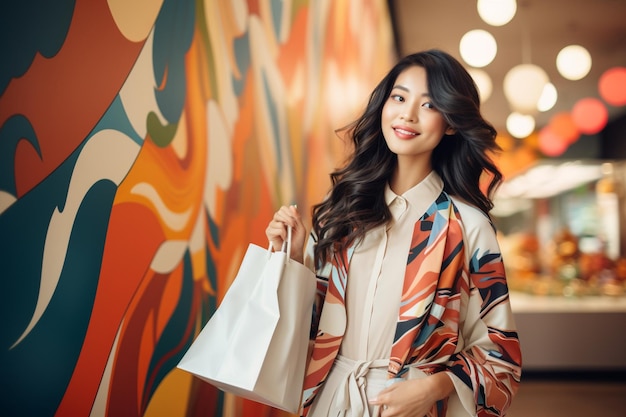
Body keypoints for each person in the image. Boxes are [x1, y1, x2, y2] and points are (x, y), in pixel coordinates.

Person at [266, 49, 522, 417]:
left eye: (429, 105)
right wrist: (290, 258)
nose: (408, 114)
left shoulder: (467, 226)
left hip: (410, 408)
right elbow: (310, 323)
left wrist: (435, 386)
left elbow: (501, 352)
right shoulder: (343, 212)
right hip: (329, 400)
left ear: (451, 122)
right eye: (399, 98)